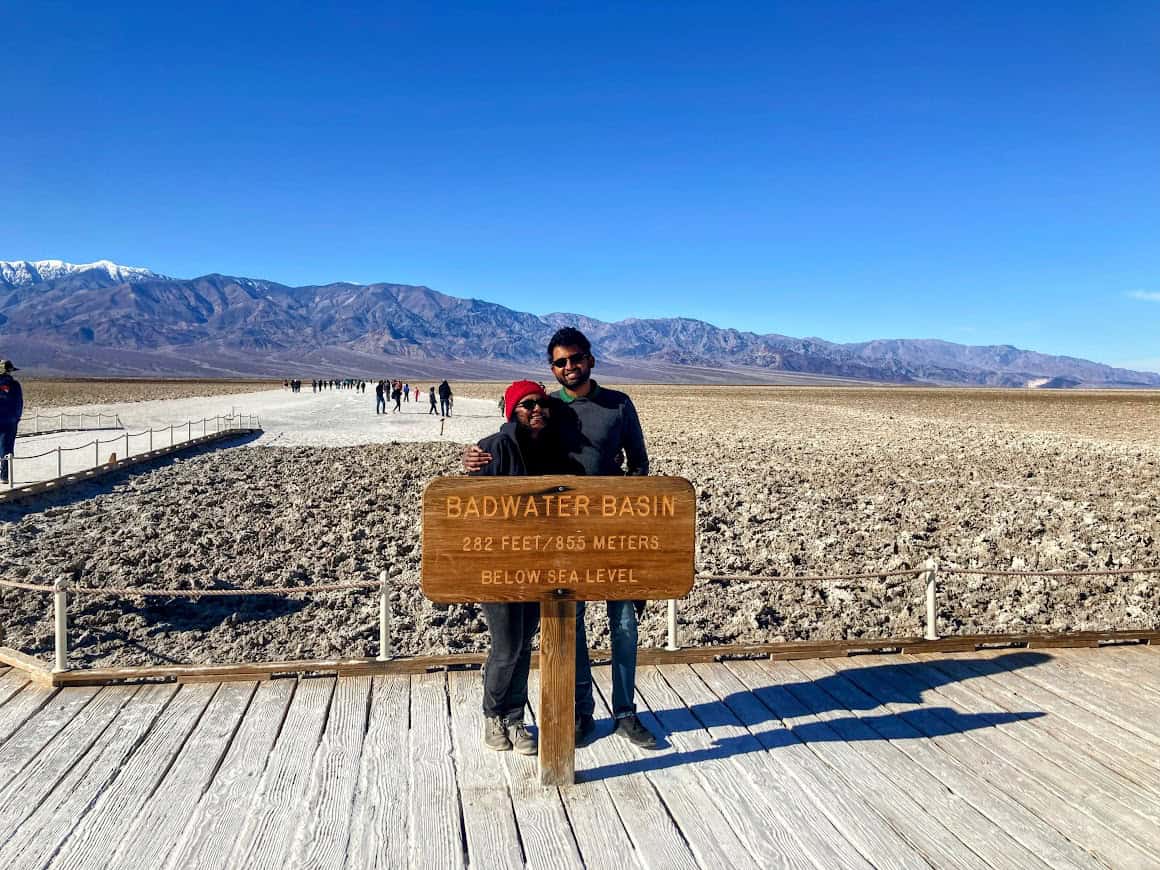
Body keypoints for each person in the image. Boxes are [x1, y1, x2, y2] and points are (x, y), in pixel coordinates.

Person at [464, 327, 657, 749]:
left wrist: (628, 518)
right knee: (573, 624)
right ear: (552, 368)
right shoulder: (550, 409)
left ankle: (625, 712)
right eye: (560, 362)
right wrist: (474, 458)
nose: (569, 367)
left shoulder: (618, 405)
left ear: (590, 359)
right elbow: (507, 441)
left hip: (611, 533)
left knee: (624, 623)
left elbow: (640, 468)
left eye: (576, 358)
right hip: (563, 540)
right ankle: (578, 714)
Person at [471, 380, 575, 754]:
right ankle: (493, 715)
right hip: (498, 567)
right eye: (526, 404)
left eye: (541, 403)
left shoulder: (552, 450)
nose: (536, 409)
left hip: (539, 565)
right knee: (506, 645)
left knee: (524, 643)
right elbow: (472, 504)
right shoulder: (495, 447)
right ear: (511, 411)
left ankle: (515, 718)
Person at [0, 360, 23, 485]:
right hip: (9, 421)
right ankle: (4, 476)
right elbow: (19, 404)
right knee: (6, 448)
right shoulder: (14, 385)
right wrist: (16, 418)